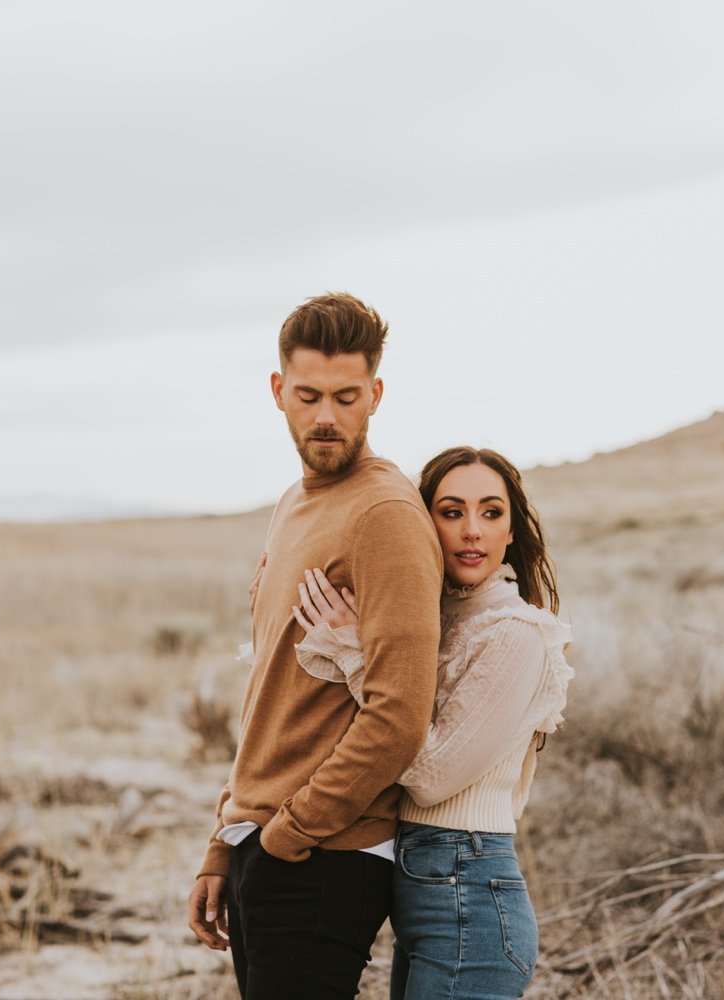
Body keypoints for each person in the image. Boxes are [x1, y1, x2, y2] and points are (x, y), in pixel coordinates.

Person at [187, 293, 443, 999]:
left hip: (323, 858)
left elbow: (399, 715)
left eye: (345, 396)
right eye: (308, 396)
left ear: (376, 395)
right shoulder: (293, 504)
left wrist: (289, 834)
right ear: (279, 392)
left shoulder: (385, 514)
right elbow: (272, 689)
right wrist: (226, 837)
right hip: (266, 842)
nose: (326, 416)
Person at [293, 446, 573, 1000]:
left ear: (512, 531)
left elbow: (429, 775)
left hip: (469, 889)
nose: (472, 531)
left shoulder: (515, 633)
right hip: (431, 893)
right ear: (425, 526)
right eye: (451, 512)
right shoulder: (432, 622)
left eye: (491, 513)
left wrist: (356, 655)